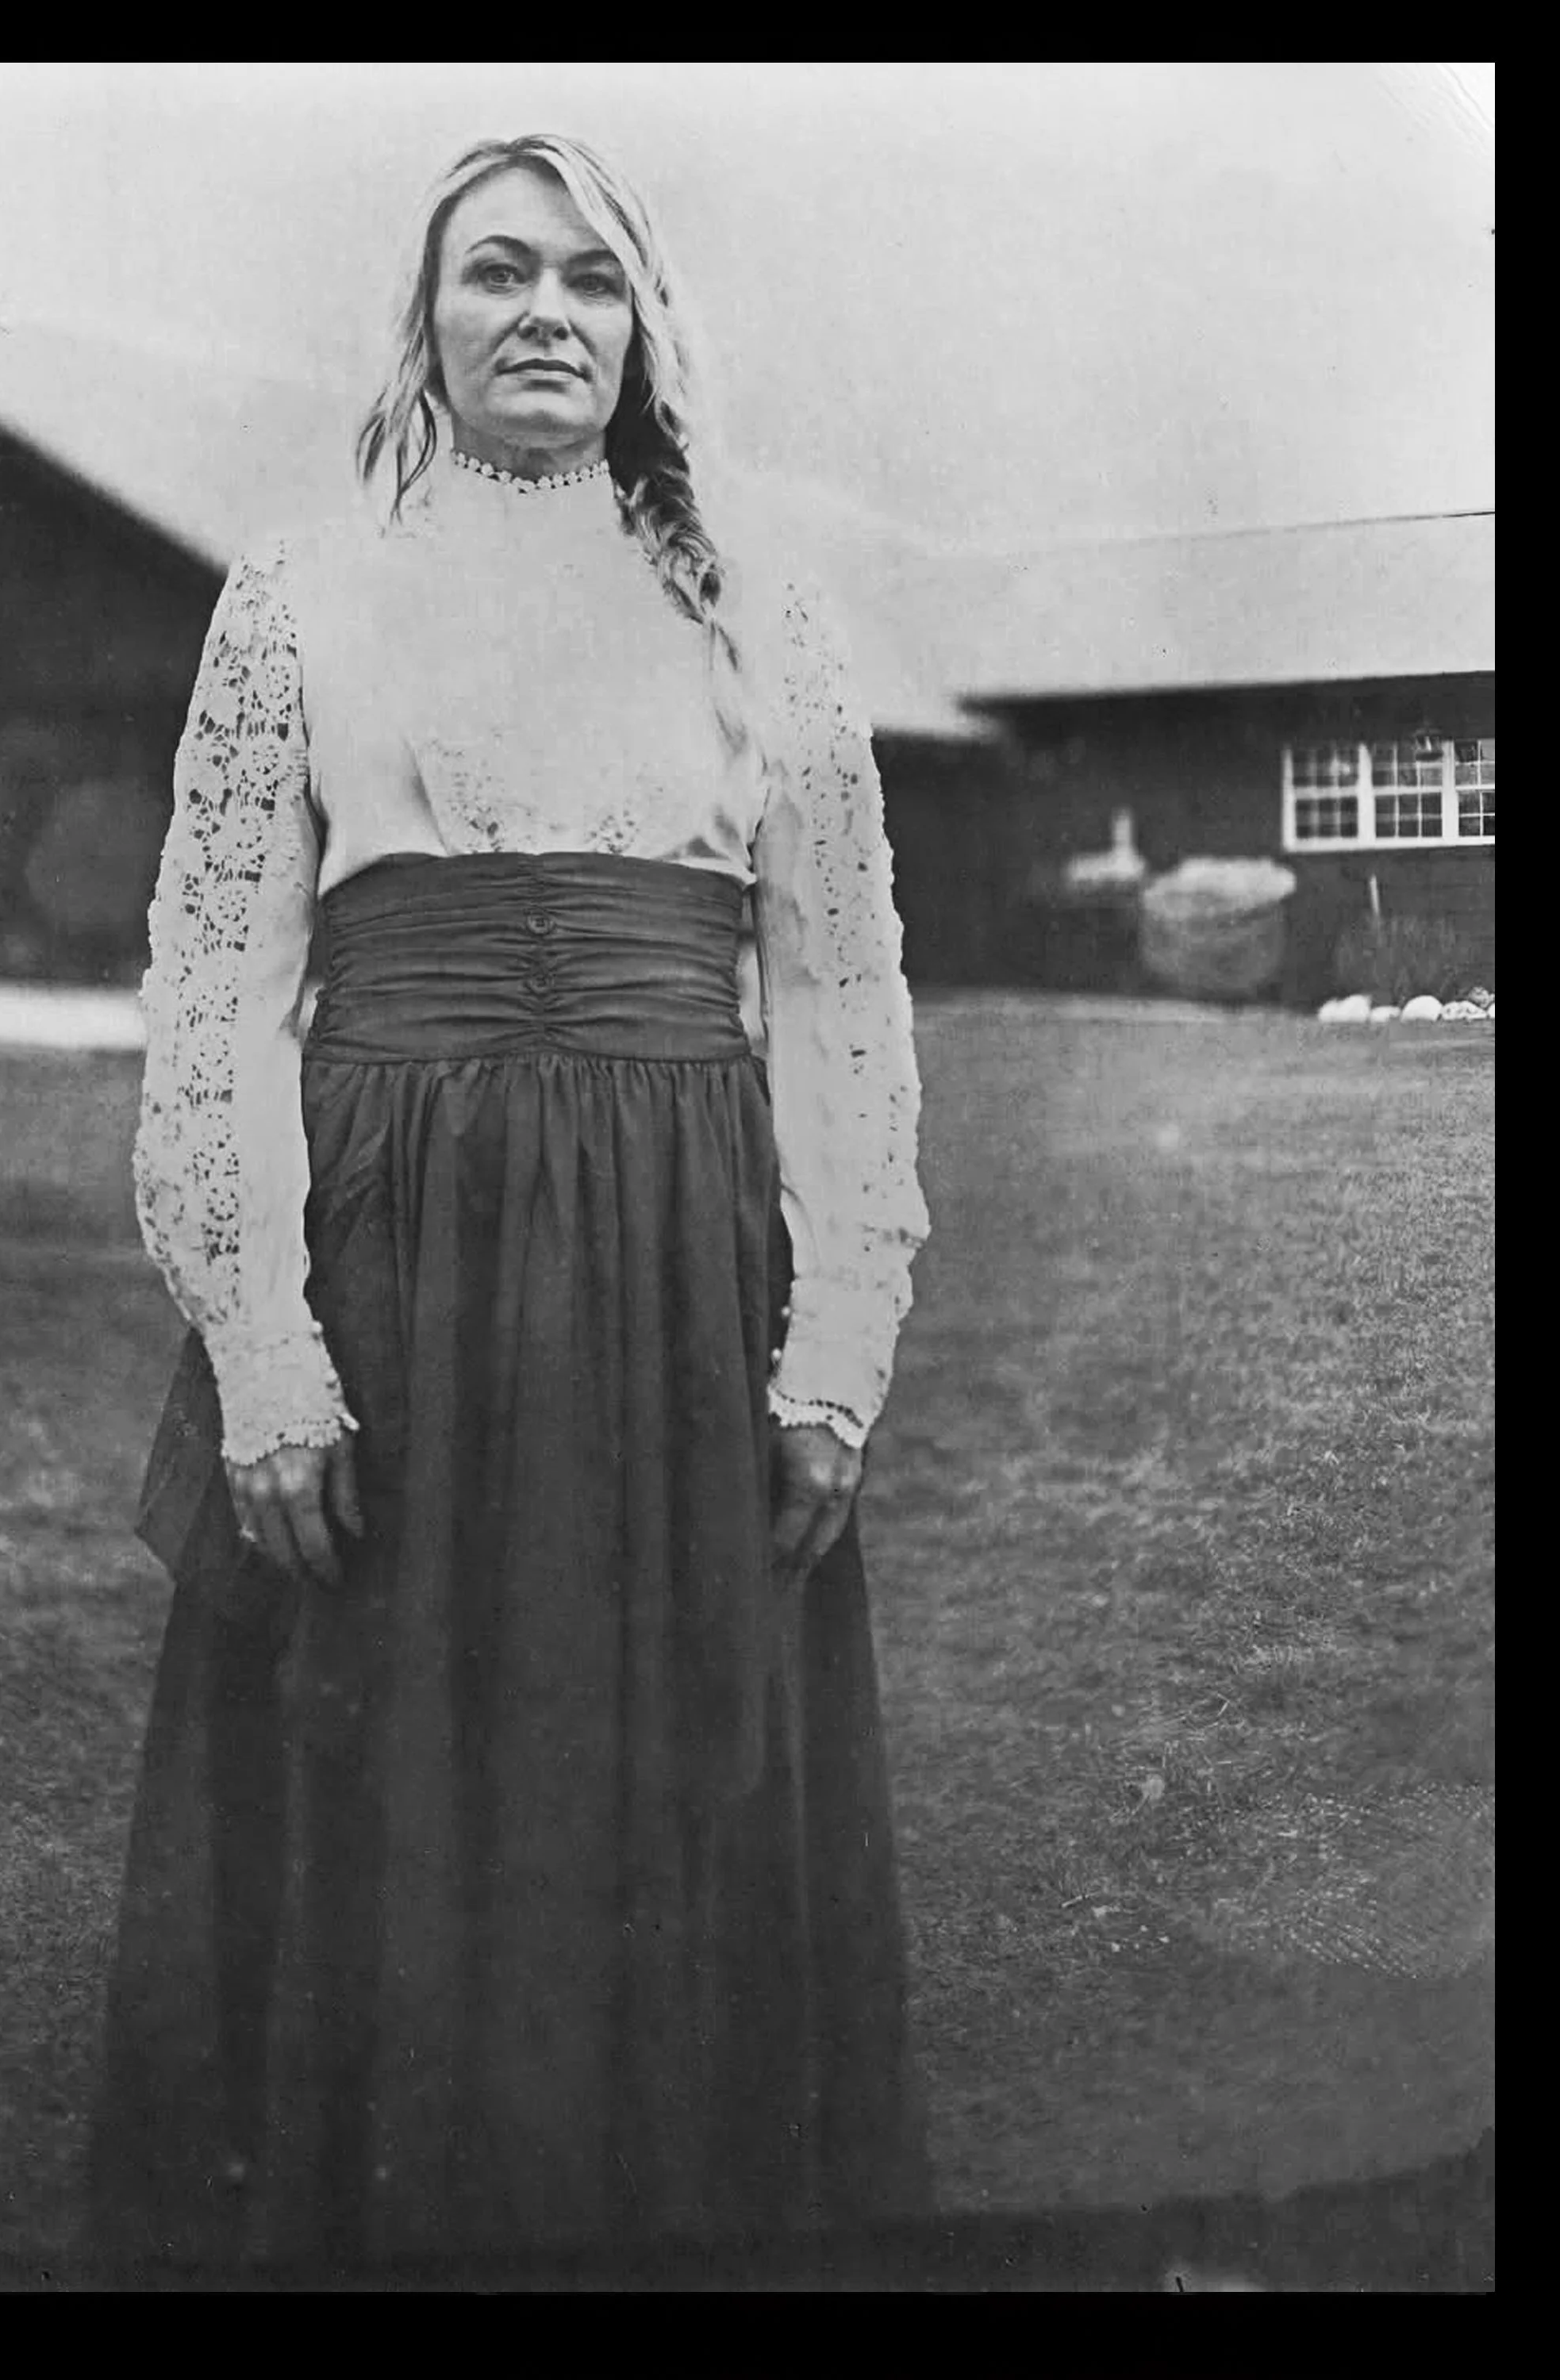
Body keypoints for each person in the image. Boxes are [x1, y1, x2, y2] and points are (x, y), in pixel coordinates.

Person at [90, 131, 932, 2275]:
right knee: (378, 1815)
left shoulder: (766, 615)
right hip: (391, 1269)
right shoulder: (298, 596)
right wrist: (262, 1347)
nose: (544, 313)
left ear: (647, 327)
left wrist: (838, 1346)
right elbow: (217, 982)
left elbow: (838, 990)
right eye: (495, 275)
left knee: (661, 1807)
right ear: (428, 319)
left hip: (680, 1271)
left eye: (589, 278)